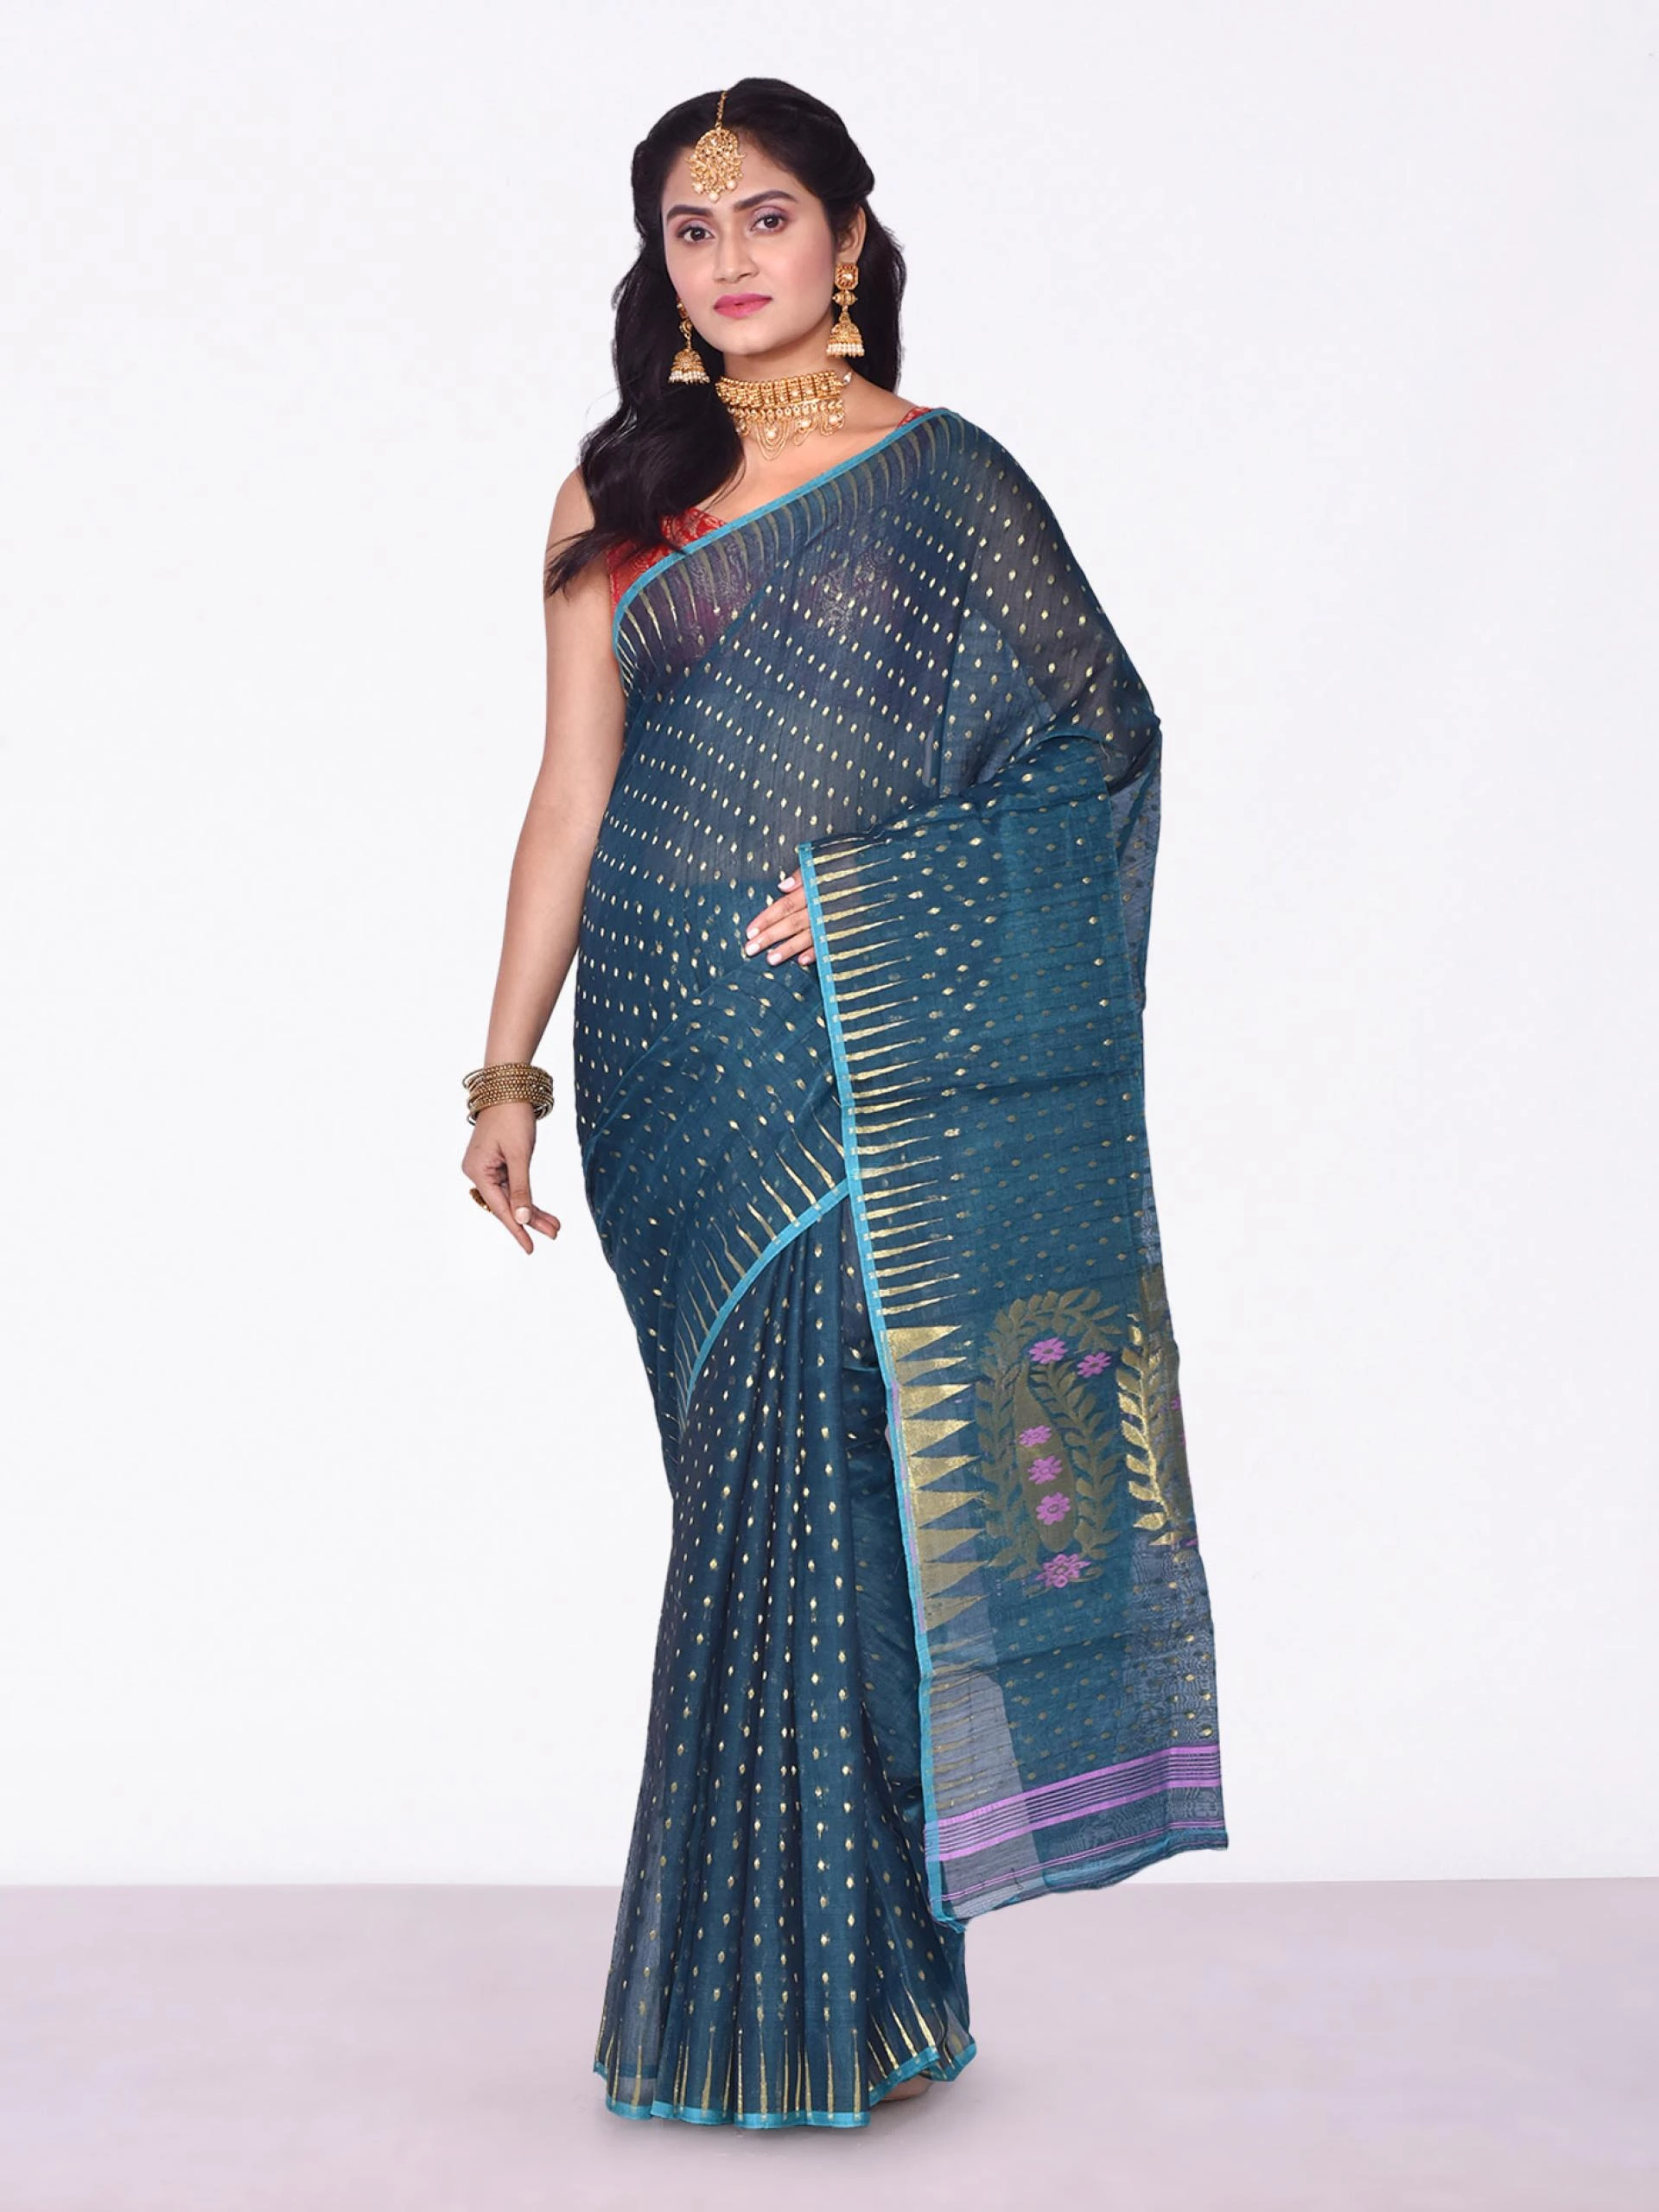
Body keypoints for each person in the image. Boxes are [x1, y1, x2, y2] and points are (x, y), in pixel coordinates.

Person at [461, 77, 1230, 2131]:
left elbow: (1101, 745)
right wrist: (507, 1062)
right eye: (691, 228)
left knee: (853, 1495)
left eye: (768, 217)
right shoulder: (612, 491)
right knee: (746, 1498)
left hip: (860, 1043)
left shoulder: (948, 480)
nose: (731, 259)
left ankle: (828, 1996)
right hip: (666, 1062)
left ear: (850, 240)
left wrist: (886, 888)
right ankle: (788, 1992)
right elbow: (569, 794)